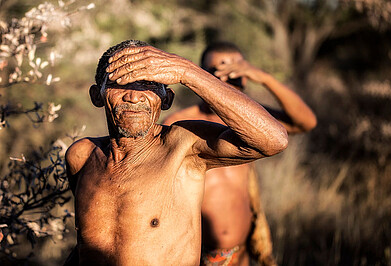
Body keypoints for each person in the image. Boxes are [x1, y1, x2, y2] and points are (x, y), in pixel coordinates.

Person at [64, 39, 288, 265]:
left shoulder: (182, 149)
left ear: (167, 99)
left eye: (149, 85)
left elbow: (274, 140)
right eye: (120, 83)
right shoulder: (82, 156)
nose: (134, 96)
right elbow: (90, 244)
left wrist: (187, 71)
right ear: (96, 96)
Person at [163, 42, 317, 266]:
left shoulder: (255, 124)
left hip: (241, 254)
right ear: (202, 76)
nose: (226, 79)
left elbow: (305, 122)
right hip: (195, 256)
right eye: (217, 73)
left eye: (234, 73)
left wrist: (264, 78)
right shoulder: (180, 122)